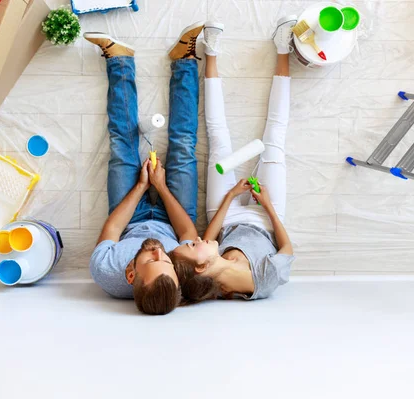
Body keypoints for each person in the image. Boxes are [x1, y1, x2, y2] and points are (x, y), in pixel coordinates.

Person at [170, 17, 298, 302]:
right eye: (193, 246)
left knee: (218, 137)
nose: (196, 239)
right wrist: (266, 205)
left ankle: (211, 51)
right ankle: (282, 48)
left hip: (225, 215)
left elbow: (212, 236)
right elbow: (286, 248)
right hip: (267, 216)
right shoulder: (264, 282)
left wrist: (230, 196)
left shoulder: (208, 262)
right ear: (202, 265)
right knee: (275, 137)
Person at [85, 22, 204, 315]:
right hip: (174, 218)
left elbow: (113, 228)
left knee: (122, 144)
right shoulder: (183, 273)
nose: (159, 251)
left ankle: (119, 61)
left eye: (152, 261)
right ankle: (184, 60)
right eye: (167, 260)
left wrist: (141, 187)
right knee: (183, 145)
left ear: (130, 275)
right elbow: (187, 231)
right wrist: (161, 187)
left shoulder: (105, 271)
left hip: (128, 218)